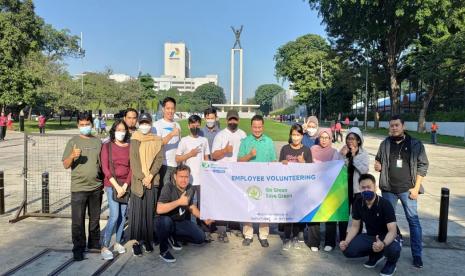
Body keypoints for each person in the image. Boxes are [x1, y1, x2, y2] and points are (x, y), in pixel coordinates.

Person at [374, 115, 429, 268]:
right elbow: (378, 160)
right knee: (388, 223)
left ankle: (417, 255)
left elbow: (423, 166)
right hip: (388, 189)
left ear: (403, 126)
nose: (394, 128)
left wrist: (416, 188)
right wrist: (377, 165)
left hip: (408, 189)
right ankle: (389, 250)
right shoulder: (385, 144)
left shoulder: (415, 144)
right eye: (391, 125)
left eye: (397, 125)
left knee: (413, 221)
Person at [340, 174, 401, 276]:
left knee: (393, 249)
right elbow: (355, 226)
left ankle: (391, 264)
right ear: (359, 188)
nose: (366, 190)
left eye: (369, 187)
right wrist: (346, 241)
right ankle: (377, 254)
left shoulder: (385, 204)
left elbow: (392, 231)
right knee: (347, 250)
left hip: (388, 236)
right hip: (371, 236)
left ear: (375, 188)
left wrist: (383, 244)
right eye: (363, 188)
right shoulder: (358, 203)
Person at [62, 112, 103, 261]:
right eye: (82, 124)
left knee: (95, 219)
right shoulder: (73, 141)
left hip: (96, 187)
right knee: (78, 221)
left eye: (87, 124)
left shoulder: (98, 142)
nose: (85, 127)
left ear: (92, 124)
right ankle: (78, 247)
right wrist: (72, 156)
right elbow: (66, 165)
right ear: (78, 125)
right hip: (79, 188)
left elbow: (101, 163)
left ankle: (94, 243)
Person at [156, 164, 213, 263]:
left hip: (179, 222)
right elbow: (159, 209)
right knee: (165, 221)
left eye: (186, 177)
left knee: (200, 237)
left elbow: (191, 207)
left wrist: (204, 218)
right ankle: (163, 250)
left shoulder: (190, 188)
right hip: (164, 221)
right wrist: (179, 202)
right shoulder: (168, 187)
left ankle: (173, 237)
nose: (184, 180)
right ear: (175, 176)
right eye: (181, 177)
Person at [238, 115, 277, 247]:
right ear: (251, 127)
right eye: (255, 127)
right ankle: (248, 234)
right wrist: (249, 155)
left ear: (263, 127)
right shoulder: (245, 141)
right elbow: (239, 161)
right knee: (249, 207)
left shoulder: (269, 141)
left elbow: (273, 161)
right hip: (249, 180)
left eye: (259, 127)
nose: (257, 129)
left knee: (264, 208)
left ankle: (263, 235)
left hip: (265, 181)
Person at [128, 113, 163, 256]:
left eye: (147, 123)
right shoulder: (135, 138)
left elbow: (159, 159)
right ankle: (136, 242)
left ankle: (148, 240)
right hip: (138, 181)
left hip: (152, 180)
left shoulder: (157, 139)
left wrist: (150, 176)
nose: (144, 125)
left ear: (151, 124)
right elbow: (134, 160)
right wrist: (143, 177)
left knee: (149, 212)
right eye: (142, 123)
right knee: (137, 213)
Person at [211, 109, 247, 243]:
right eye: (230, 119)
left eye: (235, 119)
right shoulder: (220, 135)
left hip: (238, 173)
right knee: (222, 202)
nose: (233, 122)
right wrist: (225, 151)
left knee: (236, 200)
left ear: (238, 120)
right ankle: (221, 230)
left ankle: (234, 225)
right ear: (227, 120)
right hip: (223, 173)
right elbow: (214, 155)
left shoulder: (243, 134)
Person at [100, 120, 132, 260]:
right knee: (114, 215)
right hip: (112, 184)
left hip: (125, 185)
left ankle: (118, 242)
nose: (121, 132)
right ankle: (105, 245)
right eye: (118, 129)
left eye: (123, 130)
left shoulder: (129, 147)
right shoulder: (107, 146)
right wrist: (117, 186)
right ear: (114, 130)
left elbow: (132, 168)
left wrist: (125, 186)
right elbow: (105, 168)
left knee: (122, 215)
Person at [175, 115, 210, 238]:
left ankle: (203, 230)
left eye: (197, 124)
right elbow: (178, 158)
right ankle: (188, 232)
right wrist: (190, 154)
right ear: (188, 125)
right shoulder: (184, 141)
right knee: (188, 206)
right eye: (192, 124)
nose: (195, 126)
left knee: (202, 205)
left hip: (201, 179)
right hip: (188, 180)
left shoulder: (204, 140)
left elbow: (206, 158)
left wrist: (208, 174)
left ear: (199, 125)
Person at [279, 124, 313, 250]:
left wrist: (303, 162)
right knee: (288, 213)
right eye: (293, 135)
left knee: (298, 213)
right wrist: (282, 163)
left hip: (301, 187)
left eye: (298, 135)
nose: (295, 138)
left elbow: (311, 170)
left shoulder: (307, 150)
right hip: (288, 187)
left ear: (302, 136)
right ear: (290, 135)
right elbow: (279, 167)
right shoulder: (285, 149)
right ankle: (287, 237)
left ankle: (295, 236)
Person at [309, 128, 343, 252]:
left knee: (330, 215)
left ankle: (330, 242)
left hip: (329, 188)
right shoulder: (312, 150)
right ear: (318, 138)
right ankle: (314, 242)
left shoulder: (335, 152)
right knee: (314, 214)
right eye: (321, 137)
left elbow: (336, 168)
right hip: (314, 187)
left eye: (326, 137)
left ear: (330, 139)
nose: (324, 140)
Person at [338, 127, 370, 241]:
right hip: (344, 190)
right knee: (343, 216)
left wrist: (353, 156)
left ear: (359, 140)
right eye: (348, 138)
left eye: (353, 139)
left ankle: (356, 239)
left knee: (357, 217)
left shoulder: (364, 154)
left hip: (357, 191)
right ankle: (342, 238)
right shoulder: (343, 151)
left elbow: (364, 170)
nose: (350, 141)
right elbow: (335, 168)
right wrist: (342, 155)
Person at [153, 97, 181, 193]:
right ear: (163, 109)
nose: (170, 111)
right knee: (164, 195)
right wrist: (171, 134)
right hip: (164, 166)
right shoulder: (157, 125)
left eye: (172, 108)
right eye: (168, 108)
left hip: (176, 165)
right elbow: (157, 145)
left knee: (174, 194)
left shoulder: (177, 125)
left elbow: (179, 145)